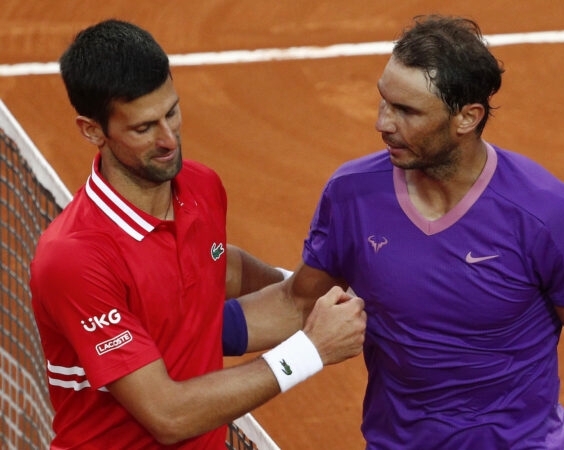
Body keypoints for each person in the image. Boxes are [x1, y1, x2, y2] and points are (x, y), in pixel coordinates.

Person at [29, 19, 366, 449]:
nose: (169, 139)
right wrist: (310, 351)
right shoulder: (75, 258)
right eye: (143, 127)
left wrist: (310, 290)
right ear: (92, 130)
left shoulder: (201, 188)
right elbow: (167, 414)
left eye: (171, 111)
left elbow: (217, 268)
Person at [276, 14, 564, 449]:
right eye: (384, 101)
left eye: (406, 111)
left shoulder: (549, 214)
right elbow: (297, 302)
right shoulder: (351, 194)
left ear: (467, 118)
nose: (383, 123)